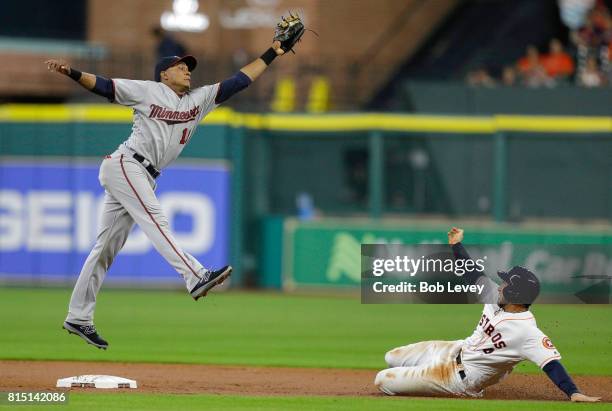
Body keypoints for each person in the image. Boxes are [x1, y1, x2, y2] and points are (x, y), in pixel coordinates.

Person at [45, 40, 288, 349]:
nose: (187, 70)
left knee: (104, 250)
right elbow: (105, 86)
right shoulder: (147, 90)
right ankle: (195, 276)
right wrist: (72, 72)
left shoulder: (199, 100)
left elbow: (240, 80)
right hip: (127, 165)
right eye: (180, 66)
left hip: (142, 173)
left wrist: (272, 53)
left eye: (189, 67)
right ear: (164, 74)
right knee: (156, 221)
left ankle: (78, 317)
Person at [374, 227, 601, 403]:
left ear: (514, 293)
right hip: (455, 349)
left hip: (457, 380)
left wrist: (573, 393)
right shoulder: (495, 296)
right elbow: (472, 273)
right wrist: (456, 245)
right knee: (390, 356)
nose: (500, 286)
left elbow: (551, 364)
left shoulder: (526, 332)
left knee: (382, 380)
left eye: (505, 284)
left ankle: (446, 386)